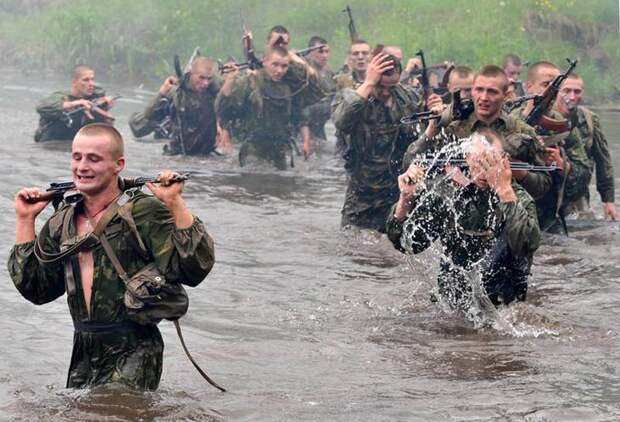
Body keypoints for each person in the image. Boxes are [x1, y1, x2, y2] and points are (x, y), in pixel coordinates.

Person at [7, 123, 215, 390]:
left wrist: (175, 203)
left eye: (94, 159)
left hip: (135, 348)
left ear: (118, 165)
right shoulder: (63, 221)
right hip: (83, 349)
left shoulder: (143, 211)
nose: (82, 167)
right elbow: (37, 289)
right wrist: (25, 220)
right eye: (77, 157)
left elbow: (193, 269)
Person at [387, 129, 540, 308]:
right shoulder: (448, 196)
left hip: (503, 307)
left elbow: (526, 244)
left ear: (503, 161)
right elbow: (409, 244)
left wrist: (504, 191)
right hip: (452, 305)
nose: (484, 171)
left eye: (491, 162)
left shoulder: (517, 198)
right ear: (466, 158)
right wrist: (406, 199)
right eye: (478, 161)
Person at [406, 65, 553, 203]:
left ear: (505, 95)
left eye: (492, 91)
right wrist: (431, 132)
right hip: (460, 217)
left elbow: (545, 185)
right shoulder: (452, 129)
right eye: (479, 90)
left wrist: (519, 174)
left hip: (508, 215)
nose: (483, 97)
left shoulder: (522, 131)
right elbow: (410, 164)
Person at [332, 49, 441, 232]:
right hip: (361, 197)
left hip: (395, 194)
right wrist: (368, 84)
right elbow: (341, 121)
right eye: (380, 86)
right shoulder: (353, 97)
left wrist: (435, 109)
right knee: (353, 251)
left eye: (391, 87)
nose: (385, 92)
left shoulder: (407, 97)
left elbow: (426, 135)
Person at [512, 61, 592, 232]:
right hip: (512, 218)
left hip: (550, 222)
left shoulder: (562, 125)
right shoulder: (508, 121)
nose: (552, 91)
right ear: (529, 86)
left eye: (557, 86)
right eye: (546, 84)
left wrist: (564, 166)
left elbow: (584, 178)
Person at [215, 45, 322, 170]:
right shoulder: (251, 81)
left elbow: (304, 109)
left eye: (284, 66)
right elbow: (223, 109)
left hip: (280, 149)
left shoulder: (289, 86)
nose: (279, 70)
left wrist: (306, 140)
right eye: (275, 65)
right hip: (253, 149)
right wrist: (230, 81)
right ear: (265, 62)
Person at [129, 56, 232, 156]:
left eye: (209, 79)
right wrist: (161, 93)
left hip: (206, 154)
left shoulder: (214, 89)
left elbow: (228, 107)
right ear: (191, 74)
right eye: (201, 78)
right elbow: (150, 114)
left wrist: (231, 78)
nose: (205, 83)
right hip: (178, 153)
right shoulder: (176, 92)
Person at [557, 73, 617, 220]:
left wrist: (608, 201)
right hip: (548, 191)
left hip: (578, 193)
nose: (572, 97)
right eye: (567, 90)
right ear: (557, 92)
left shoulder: (590, 120)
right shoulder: (544, 117)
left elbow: (603, 160)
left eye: (577, 92)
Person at [35, 65, 115, 142]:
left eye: (92, 79)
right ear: (74, 82)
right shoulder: (60, 97)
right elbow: (41, 107)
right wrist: (74, 104)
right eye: (86, 80)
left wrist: (105, 106)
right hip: (51, 144)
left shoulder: (94, 98)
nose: (91, 84)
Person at [299, 36, 337, 158]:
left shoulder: (329, 72)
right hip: (303, 124)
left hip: (320, 125)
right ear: (310, 53)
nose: (324, 55)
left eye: (327, 52)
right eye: (320, 52)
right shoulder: (302, 71)